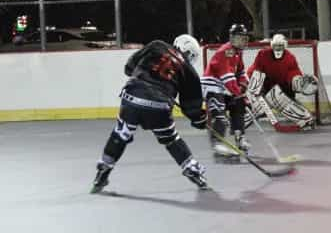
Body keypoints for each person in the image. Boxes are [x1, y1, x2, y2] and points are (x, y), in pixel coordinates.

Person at [90, 34, 209, 193]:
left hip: (132, 96)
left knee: (121, 134)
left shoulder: (157, 44)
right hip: (159, 105)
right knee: (171, 139)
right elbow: (192, 107)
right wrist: (200, 120)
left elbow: (129, 66)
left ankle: (103, 170)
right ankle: (192, 169)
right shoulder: (189, 71)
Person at [246, 34, 317, 131]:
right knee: (259, 105)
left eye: (280, 46)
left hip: (281, 86)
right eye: (276, 45)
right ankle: (242, 119)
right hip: (265, 84)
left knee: (281, 98)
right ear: (272, 45)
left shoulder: (290, 58)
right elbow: (256, 71)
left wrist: (297, 81)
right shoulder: (263, 54)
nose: (278, 48)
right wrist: (257, 90)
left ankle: (304, 119)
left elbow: (293, 73)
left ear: (285, 46)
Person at [201, 24, 250, 157]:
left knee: (239, 105)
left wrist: (243, 86)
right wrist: (238, 92)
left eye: (244, 38)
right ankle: (217, 144)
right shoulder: (226, 51)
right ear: (232, 38)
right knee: (220, 112)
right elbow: (227, 77)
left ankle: (239, 137)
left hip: (223, 87)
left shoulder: (238, 52)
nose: (243, 41)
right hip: (212, 86)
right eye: (240, 38)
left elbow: (241, 72)